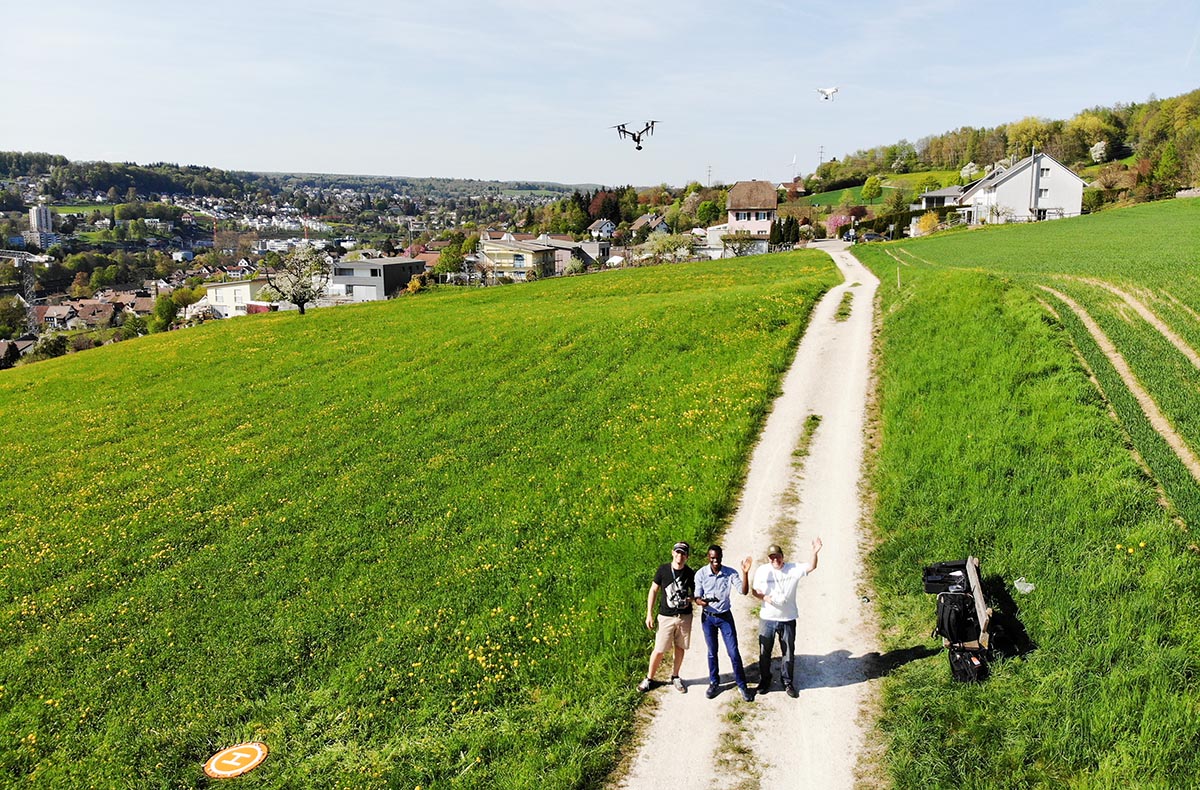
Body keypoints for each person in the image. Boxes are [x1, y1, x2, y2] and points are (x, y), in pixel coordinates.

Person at [751, 538, 822, 698]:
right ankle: (765, 680)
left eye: (777, 556)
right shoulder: (762, 571)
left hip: (788, 618)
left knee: (788, 652)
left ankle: (787, 681)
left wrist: (814, 552)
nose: (775, 560)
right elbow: (754, 591)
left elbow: (812, 566)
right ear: (768, 558)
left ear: (783, 556)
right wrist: (764, 597)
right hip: (767, 618)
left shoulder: (793, 569)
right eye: (772, 557)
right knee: (764, 652)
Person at [694, 545, 754, 701]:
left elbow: (743, 591)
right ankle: (714, 682)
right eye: (712, 558)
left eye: (718, 558)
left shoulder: (730, 573)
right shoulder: (701, 574)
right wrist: (701, 602)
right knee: (712, 651)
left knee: (733, 652)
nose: (715, 561)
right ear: (708, 557)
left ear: (721, 557)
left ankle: (742, 684)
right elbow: (696, 596)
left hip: (725, 617)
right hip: (708, 618)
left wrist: (745, 573)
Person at [638, 542, 695, 693]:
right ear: (672, 553)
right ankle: (649, 678)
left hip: (684, 616)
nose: (680, 556)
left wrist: (689, 599)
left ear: (687, 557)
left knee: (680, 647)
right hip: (666, 616)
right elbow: (653, 590)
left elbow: (696, 594)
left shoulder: (690, 573)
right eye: (678, 552)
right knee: (659, 649)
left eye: (683, 553)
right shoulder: (663, 570)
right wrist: (649, 614)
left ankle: (675, 676)